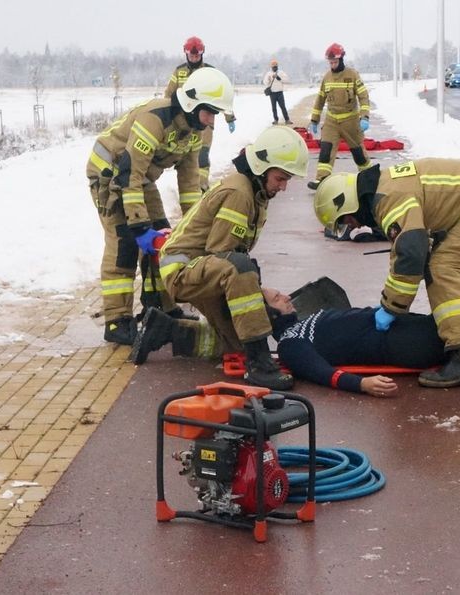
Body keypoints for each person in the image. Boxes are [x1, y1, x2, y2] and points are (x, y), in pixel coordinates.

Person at [131, 288, 460, 397]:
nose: (284, 293)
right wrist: (361, 383)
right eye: (277, 295)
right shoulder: (293, 341)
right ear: (274, 313)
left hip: (405, 330)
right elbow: (316, 374)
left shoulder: (305, 316)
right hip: (405, 348)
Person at [313, 158, 460, 389]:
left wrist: (392, 307)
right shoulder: (384, 188)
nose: (355, 226)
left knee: (443, 270)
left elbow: (409, 255)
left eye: (347, 220)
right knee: (440, 263)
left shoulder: (387, 200)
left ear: (348, 203)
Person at [88, 67, 235, 345]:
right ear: (194, 103)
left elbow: (190, 182)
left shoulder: (194, 130)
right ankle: (117, 320)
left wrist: (194, 226)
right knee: (125, 243)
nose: (212, 120)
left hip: (139, 179)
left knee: (164, 239)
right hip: (110, 175)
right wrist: (138, 225)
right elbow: (128, 174)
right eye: (210, 112)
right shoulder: (154, 118)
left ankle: (159, 306)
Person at [155, 126, 309, 389]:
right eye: (281, 178)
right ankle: (259, 365)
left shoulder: (256, 190)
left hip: (201, 265)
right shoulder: (240, 193)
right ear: (261, 167)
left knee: (235, 344)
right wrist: (260, 294)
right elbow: (224, 254)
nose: (283, 187)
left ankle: (163, 329)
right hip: (183, 270)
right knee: (240, 270)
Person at [164, 36, 237, 194]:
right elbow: (168, 95)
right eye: (192, 56)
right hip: (183, 122)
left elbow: (222, 95)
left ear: (202, 54)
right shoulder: (179, 72)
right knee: (186, 157)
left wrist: (229, 117)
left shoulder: (210, 72)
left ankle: (202, 186)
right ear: (186, 54)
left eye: (197, 56)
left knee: (202, 155)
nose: (194, 58)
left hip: (205, 122)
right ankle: (190, 186)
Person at [307, 43, 371, 190]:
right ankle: (321, 179)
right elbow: (320, 99)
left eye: (335, 62)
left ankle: (369, 177)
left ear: (341, 59)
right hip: (332, 121)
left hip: (351, 121)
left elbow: (363, 96)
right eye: (330, 63)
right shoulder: (327, 77)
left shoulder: (352, 75)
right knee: (325, 150)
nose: (333, 65)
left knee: (358, 153)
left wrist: (365, 117)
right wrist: (314, 120)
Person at [262, 60, 292, 125]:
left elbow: (287, 80)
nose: (274, 68)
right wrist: (269, 79)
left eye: (275, 66)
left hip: (280, 92)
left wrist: (279, 78)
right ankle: (276, 120)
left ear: (277, 66)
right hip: (272, 93)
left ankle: (287, 119)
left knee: (283, 107)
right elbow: (265, 82)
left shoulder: (281, 73)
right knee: (274, 108)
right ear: (271, 67)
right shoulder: (268, 74)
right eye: (273, 67)